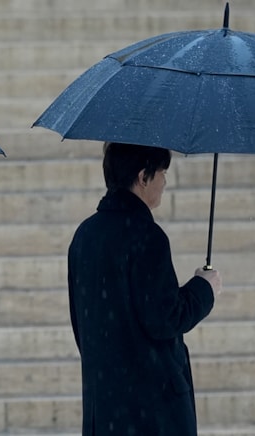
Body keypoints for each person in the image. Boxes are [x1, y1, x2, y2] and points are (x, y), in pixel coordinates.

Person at [67, 142, 222, 435]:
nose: (165, 181)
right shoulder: (147, 237)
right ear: (143, 176)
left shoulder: (85, 235)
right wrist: (204, 288)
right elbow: (165, 318)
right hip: (152, 411)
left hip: (105, 408)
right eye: (162, 172)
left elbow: (81, 322)